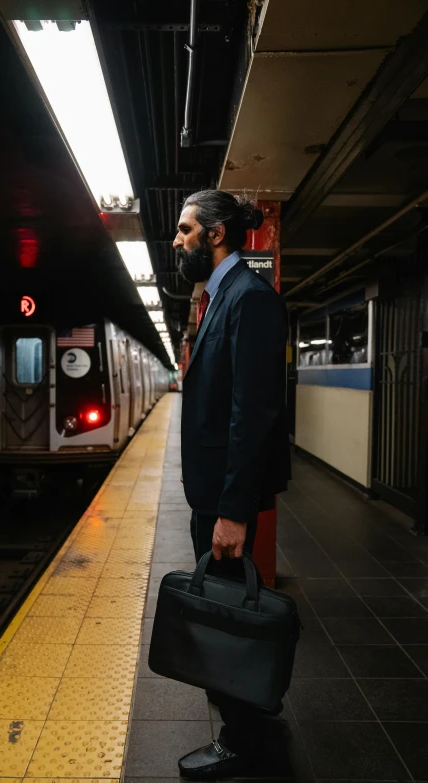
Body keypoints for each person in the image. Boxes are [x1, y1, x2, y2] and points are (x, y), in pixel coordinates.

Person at [173, 189, 291, 780]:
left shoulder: (249, 299)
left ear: (215, 234)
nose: (177, 241)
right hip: (213, 489)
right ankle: (247, 720)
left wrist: (234, 511)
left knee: (228, 618)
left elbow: (253, 413)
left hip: (225, 497)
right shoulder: (222, 298)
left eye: (185, 229)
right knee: (222, 607)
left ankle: (241, 742)